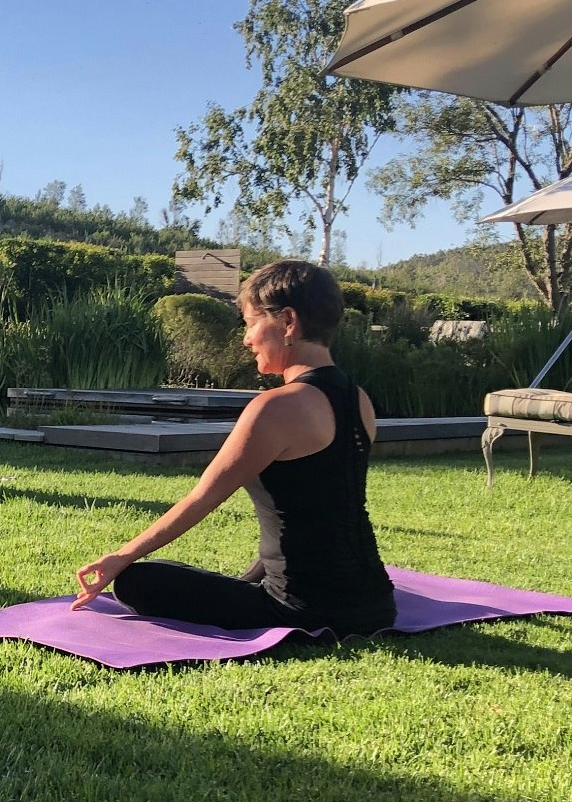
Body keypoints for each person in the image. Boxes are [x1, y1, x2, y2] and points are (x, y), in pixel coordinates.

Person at [72, 259, 396, 637]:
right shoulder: (359, 399)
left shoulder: (275, 407)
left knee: (135, 580)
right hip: (376, 605)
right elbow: (313, 513)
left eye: (250, 323)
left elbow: (201, 499)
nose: (246, 339)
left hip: (302, 610)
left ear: (288, 321)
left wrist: (120, 557)